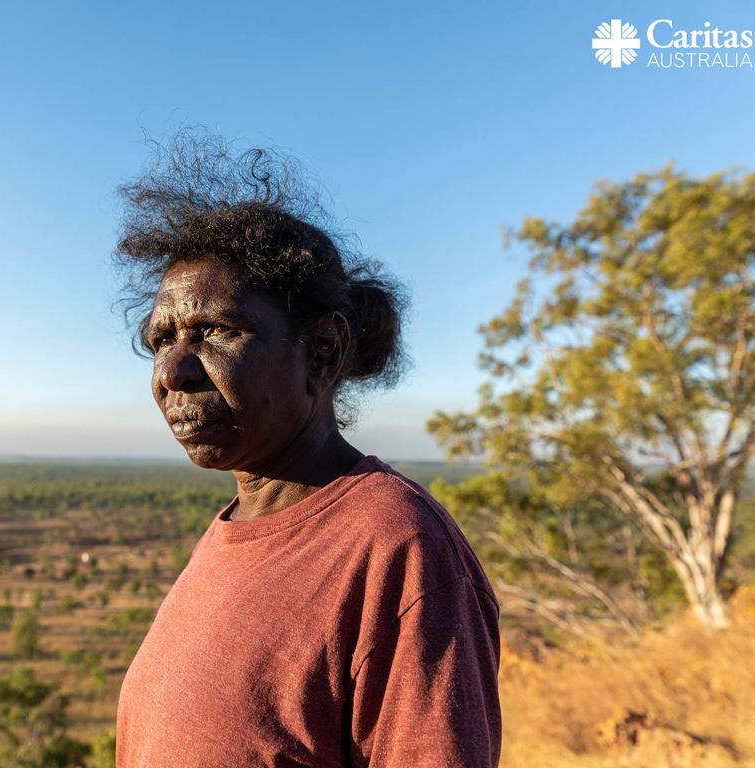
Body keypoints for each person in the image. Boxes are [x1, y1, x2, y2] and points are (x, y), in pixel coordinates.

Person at [113, 133, 501, 768]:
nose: (173, 371)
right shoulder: (236, 529)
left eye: (217, 331)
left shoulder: (396, 548)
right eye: (160, 340)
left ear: (321, 352)